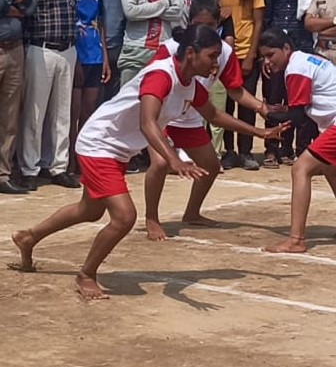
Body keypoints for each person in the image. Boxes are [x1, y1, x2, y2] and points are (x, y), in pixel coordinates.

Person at [8, 24, 287, 301]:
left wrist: (260, 131)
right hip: (99, 144)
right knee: (124, 217)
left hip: (115, 149)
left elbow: (214, 115)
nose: (216, 64)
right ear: (191, 53)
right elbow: (147, 123)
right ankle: (86, 275)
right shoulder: (160, 76)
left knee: (89, 211)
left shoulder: (187, 83)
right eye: (212, 56)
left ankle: (29, 237)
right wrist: (174, 159)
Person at [144, 0, 275, 241]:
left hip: (191, 115)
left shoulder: (222, 52)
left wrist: (261, 110)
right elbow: (152, 89)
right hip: (162, 116)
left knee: (212, 166)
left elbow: (233, 91)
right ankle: (151, 217)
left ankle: (192, 213)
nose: (205, 30)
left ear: (218, 25)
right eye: (200, 25)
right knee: (161, 163)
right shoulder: (171, 50)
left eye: (211, 26)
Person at [259, 28, 336, 254]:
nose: (267, 61)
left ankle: (296, 239)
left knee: (300, 169)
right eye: (264, 56)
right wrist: (280, 111)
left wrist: (267, 113)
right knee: (331, 170)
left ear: (286, 49)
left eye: (271, 55)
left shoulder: (296, 68)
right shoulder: (304, 61)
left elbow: (296, 116)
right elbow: (300, 108)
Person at [17, 0, 79, 191]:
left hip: (67, 49)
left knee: (62, 114)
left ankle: (58, 166)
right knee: (35, 112)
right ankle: (29, 167)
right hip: (40, 48)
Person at [219, 0, 265, 171]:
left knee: (246, 106)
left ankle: (246, 151)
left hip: (246, 52)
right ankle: (229, 151)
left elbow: (258, 23)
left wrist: (251, 54)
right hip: (222, 57)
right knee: (225, 106)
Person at [262, 0, 307, 168]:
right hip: (276, 50)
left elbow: (309, 11)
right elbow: (267, 16)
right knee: (272, 100)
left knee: (293, 103)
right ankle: (270, 148)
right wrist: (266, 55)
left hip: (297, 50)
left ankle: (287, 148)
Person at [70, 0, 111, 176]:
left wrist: (105, 57)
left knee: (88, 111)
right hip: (76, 54)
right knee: (73, 113)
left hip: (94, 55)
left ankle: (83, 159)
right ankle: (69, 162)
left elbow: (101, 24)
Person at [0, 0, 34, 195]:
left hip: (15, 49)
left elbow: (29, 7)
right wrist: (14, 9)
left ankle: (3, 173)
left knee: (10, 117)